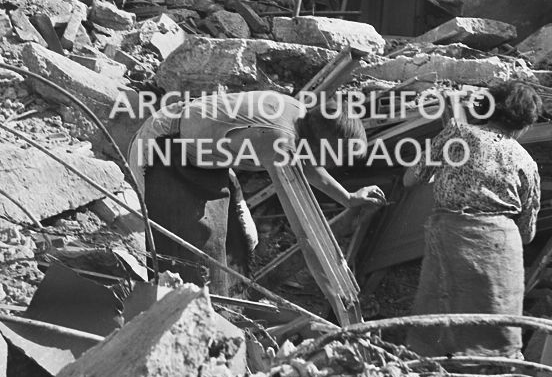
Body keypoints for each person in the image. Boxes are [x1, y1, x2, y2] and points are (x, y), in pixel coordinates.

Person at [128, 90, 386, 293]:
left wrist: (348, 198)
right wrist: (336, 290)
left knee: (241, 242)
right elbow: (306, 233)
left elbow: (307, 164)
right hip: (163, 148)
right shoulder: (277, 143)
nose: (336, 165)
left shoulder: (301, 116)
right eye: (336, 157)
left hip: (207, 161)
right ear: (325, 146)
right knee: (187, 259)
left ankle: (224, 312)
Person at [402, 80, 543, 358]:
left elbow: (410, 179)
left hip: (454, 236)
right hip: (502, 248)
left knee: (440, 314)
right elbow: (528, 233)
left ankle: (430, 368)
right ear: (526, 124)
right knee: (495, 326)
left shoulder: (458, 134)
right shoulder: (527, 162)